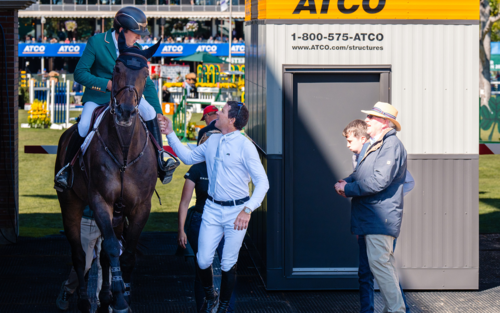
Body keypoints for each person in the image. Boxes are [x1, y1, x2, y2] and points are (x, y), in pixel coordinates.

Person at [162, 101, 269, 313]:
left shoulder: (245, 145)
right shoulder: (213, 141)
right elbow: (188, 157)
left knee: (228, 264)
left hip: (236, 213)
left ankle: (222, 306)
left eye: (222, 111)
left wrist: (247, 210)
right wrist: (170, 133)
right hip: (211, 209)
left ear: (232, 120)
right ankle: (211, 295)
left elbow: (263, 183)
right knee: (202, 260)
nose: (217, 113)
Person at [54, 6, 172, 191]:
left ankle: (161, 160)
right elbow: (80, 74)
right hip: (99, 96)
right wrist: (107, 85)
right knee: (84, 124)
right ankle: (67, 169)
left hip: (127, 97)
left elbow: (146, 83)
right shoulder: (97, 42)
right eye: (136, 33)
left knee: (149, 112)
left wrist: (158, 112)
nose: (139, 38)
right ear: (121, 30)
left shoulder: (137, 48)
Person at [335, 102, 408, 313]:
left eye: (371, 117)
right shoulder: (378, 145)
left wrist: (347, 188)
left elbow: (378, 181)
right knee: (381, 267)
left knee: (381, 267)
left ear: (384, 122)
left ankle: (397, 311)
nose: (366, 120)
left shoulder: (391, 146)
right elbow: (361, 175)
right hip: (372, 220)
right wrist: (346, 182)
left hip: (379, 220)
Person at [177, 134, 237, 313]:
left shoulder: (229, 167)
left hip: (226, 223)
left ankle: (227, 310)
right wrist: (181, 230)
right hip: (200, 222)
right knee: (201, 267)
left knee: (229, 268)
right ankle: (203, 309)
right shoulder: (196, 170)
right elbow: (184, 203)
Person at [56, 207, 103, 311]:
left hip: (108, 220)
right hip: (87, 220)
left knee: (105, 265)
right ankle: (67, 289)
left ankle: (101, 302)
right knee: (84, 265)